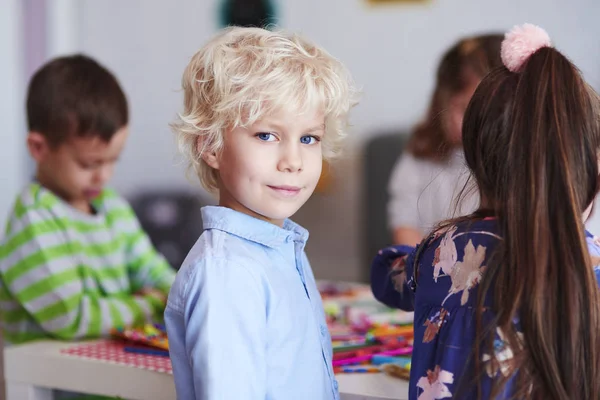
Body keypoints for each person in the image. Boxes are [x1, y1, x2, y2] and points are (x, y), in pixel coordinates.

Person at [371, 24, 600, 399]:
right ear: (584, 168)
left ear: (476, 156)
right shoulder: (589, 262)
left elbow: (386, 275)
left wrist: (409, 258)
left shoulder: (439, 254)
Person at [165, 26, 358, 400]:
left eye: (308, 138)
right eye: (267, 136)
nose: (293, 161)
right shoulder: (228, 273)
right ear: (212, 146)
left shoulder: (279, 248)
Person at [0, 55, 175, 345]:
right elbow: (72, 318)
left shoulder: (112, 206)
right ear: (39, 148)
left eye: (113, 161)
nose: (104, 176)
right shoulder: (33, 221)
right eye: (89, 164)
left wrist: (177, 293)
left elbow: (151, 268)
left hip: (105, 371)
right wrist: (152, 304)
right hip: (54, 383)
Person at [387, 33, 503, 246]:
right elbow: (404, 226)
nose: (480, 124)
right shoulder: (419, 154)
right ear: (442, 102)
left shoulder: (514, 163)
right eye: (466, 109)